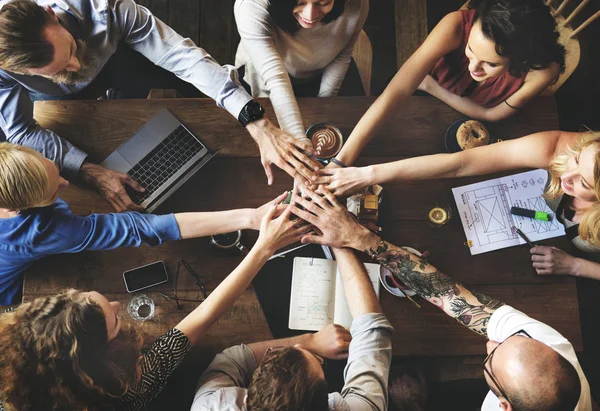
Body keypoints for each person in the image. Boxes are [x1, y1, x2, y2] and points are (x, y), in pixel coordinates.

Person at [290, 186, 592, 411]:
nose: (490, 341)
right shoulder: (550, 348)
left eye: (491, 358)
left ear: (503, 406)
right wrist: (360, 238)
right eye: (514, 339)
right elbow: (451, 295)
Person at [0, 0, 320, 212]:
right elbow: (21, 130)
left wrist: (257, 122)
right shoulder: (4, 67)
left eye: (69, 48)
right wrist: (88, 169)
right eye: (58, 69)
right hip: (61, 103)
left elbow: (181, 57)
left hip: (119, 58)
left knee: (197, 90)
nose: (74, 64)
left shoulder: (106, 8)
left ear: (52, 14)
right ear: (21, 71)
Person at [0, 202, 309, 411]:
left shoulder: (12, 322)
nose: (117, 303)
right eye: (114, 321)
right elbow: (202, 318)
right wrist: (263, 249)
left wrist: (253, 220)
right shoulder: (124, 389)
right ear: (105, 360)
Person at [0, 142, 290, 305]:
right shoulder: (42, 231)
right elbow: (145, 228)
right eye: (55, 191)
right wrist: (250, 218)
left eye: (51, 166)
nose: (66, 181)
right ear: (18, 207)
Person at [312, 130, 600, 280]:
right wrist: (367, 174)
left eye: (584, 183)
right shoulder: (571, 149)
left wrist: (575, 266)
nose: (566, 176)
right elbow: (461, 164)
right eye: (575, 160)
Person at [329, 0, 565, 167]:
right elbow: (396, 92)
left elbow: (494, 115)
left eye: (490, 64)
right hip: (425, 108)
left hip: (463, 119)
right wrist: (341, 160)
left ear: (521, 60)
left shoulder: (542, 71)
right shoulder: (455, 24)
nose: (474, 68)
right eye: (470, 50)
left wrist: (432, 87)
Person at [191, 246, 392, 411]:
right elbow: (373, 332)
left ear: (247, 398)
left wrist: (312, 343)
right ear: (328, 402)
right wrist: (339, 242)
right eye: (319, 363)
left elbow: (229, 361)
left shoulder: (210, 406)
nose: (298, 345)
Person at [234, 0, 368, 138]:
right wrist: (298, 142)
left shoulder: (357, 3)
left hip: (324, 71)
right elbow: (276, 80)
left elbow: (342, 54)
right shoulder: (250, 5)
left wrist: (324, 104)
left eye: (323, 3)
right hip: (264, 76)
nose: (309, 16)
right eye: (299, 2)